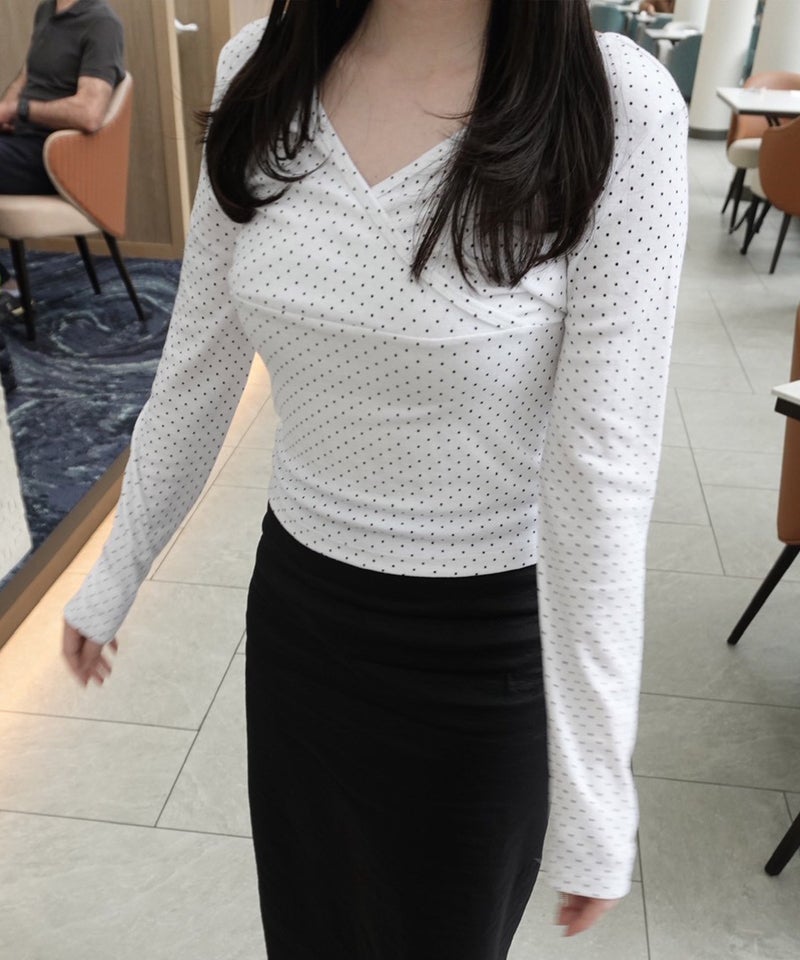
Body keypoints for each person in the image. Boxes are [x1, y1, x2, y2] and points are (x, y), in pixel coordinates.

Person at [62, 1, 688, 957]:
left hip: (487, 650)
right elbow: (198, 364)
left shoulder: (613, 103)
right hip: (302, 620)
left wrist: (595, 783)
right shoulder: (262, 71)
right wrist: (118, 569)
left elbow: (603, 470)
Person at [0, 0, 124, 298]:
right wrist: (5, 110)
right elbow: (26, 77)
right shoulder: (46, 10)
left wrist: (20, 109)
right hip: (22, 141)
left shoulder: (102, 23)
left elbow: (89, 113)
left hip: (58, 156)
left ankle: (4, 285)